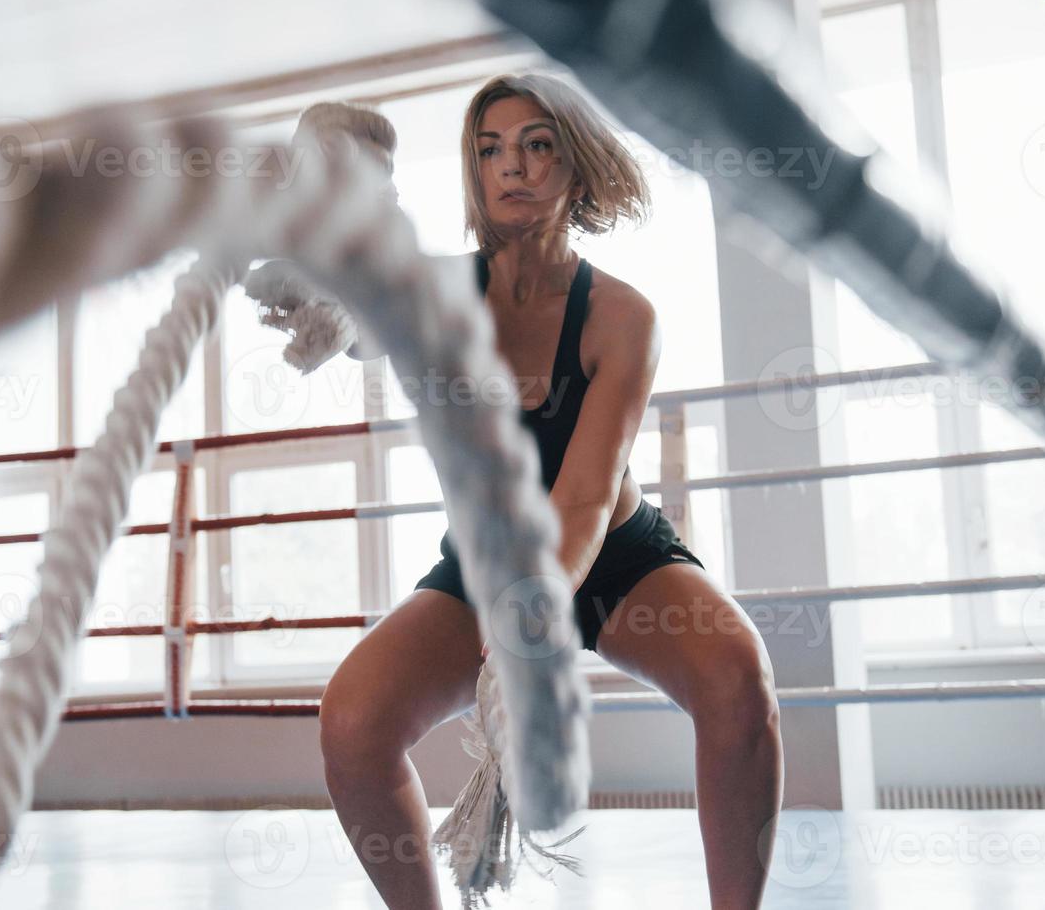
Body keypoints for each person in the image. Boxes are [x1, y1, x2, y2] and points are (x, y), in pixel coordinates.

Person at [316, 75, 783, 909]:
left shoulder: (620, 317)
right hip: (485, 564)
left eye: (536, 144)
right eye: (489, 149)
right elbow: (353, 315)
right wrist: (311, 277)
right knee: (352, 722)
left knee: (737, 676)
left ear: (576, 163)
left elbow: (585, 496)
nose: (511, 166)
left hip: (612, 552)